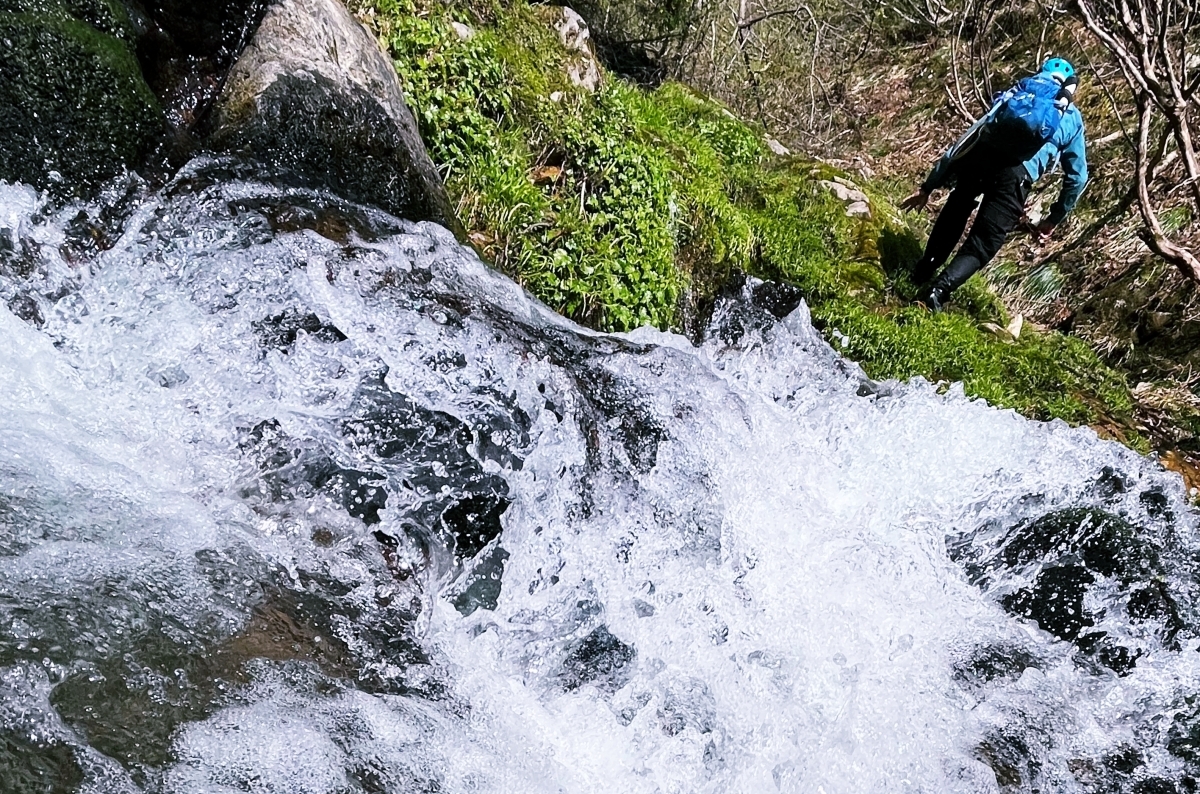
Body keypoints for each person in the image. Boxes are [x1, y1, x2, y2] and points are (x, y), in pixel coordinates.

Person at [899, 57, 1089, 312]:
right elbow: (1077, 178)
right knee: (985, 240)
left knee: (958, 206)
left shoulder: (1019, 91)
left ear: (1042, 73)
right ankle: (938, 290)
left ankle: (923, 269)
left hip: (982, 157)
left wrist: (929, 186)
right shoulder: (1072, 118)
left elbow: (970, 136)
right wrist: (1054, 218)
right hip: (1017, 174)